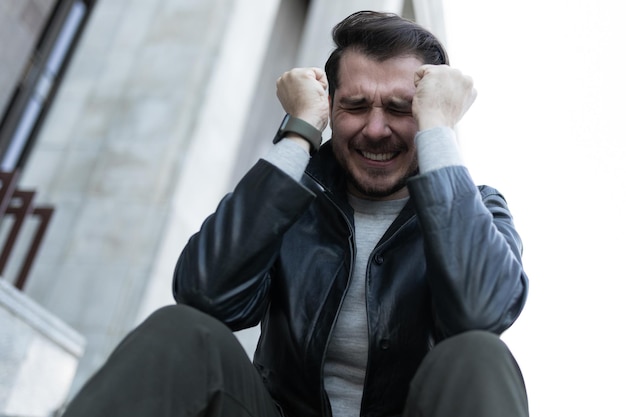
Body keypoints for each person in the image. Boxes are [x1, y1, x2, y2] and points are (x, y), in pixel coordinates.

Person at [62, 10, 529, 417]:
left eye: (400, 108)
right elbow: (204, 294)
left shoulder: (479, 208)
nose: (376, 128)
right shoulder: (292, 193)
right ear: (330, 108)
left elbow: (482, 313)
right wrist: (299, 133)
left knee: (479, 354)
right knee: (182, 331)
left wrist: (440, 133)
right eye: (356, 105)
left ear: (429, 111)